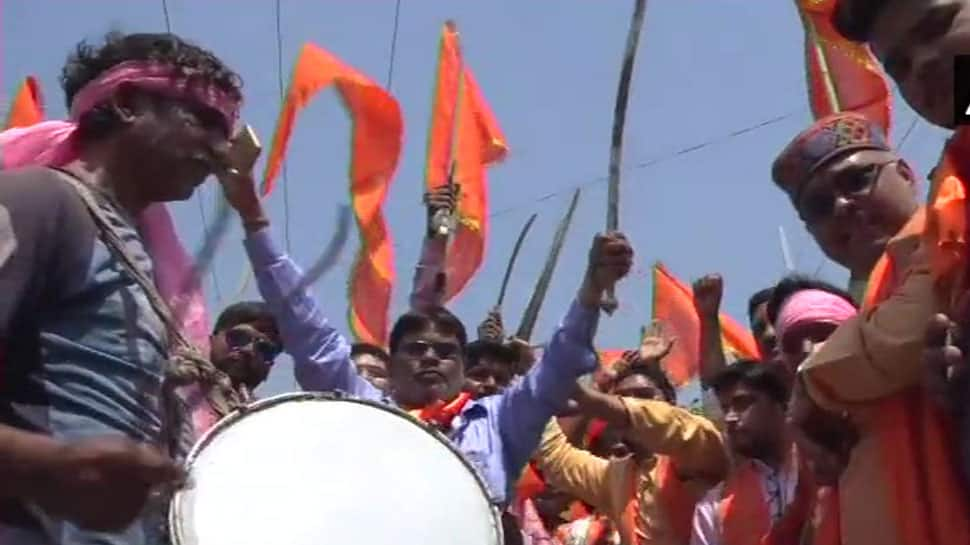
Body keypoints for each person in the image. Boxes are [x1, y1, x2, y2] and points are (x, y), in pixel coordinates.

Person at [220, 161, 632, 506]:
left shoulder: (500, 419)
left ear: (462, 364)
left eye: (446, 352)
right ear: (391, 364)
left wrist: (590, 291)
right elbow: (307, 326)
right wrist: (255, 220)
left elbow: (556, 369)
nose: (432, 358)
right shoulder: (363, 407)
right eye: (416, 350)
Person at [0, 30, 243, 543]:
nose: (222, 150)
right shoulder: (40, 204)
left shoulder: (144, 265)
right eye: (203, 119)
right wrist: (44, 465)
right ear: (129, 103)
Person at [772, 112, 970, 545]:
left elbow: (907, 332)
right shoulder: (868, 309)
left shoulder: (947, 228)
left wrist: (811, 381)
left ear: (905, 174)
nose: (843, 205)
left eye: (857, 180)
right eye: (820, 206)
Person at [537, 330, 728, 545]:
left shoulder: (693, 450)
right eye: (622, 398)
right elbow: (555, 455)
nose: (629, 404)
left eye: (645, 396)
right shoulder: (617, 475)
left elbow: (671, 424)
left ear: (671, 402)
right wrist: (531, 384)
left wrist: (588, 397)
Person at [691, 360, 812, 545]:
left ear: (781, 405)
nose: (730, 418)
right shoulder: (714, 506)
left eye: (742, 403)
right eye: (725, 408)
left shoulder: (825, 468)